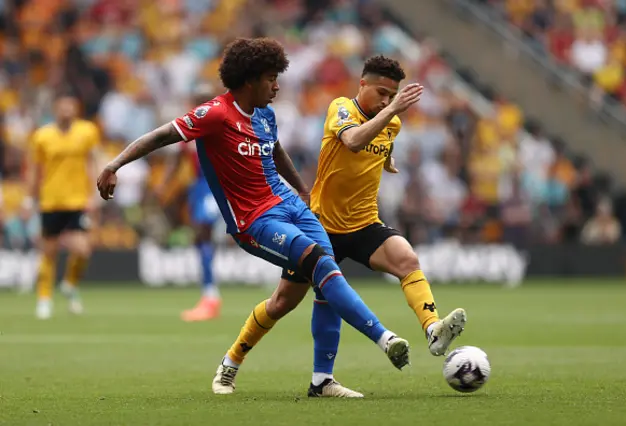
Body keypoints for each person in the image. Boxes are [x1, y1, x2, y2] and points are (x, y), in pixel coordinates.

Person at [97, 37, 410, 397]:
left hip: (291, 207)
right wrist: (114, 163)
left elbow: (275, 151)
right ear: (249, 80)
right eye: (271, 78)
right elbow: (164, 134)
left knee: (307, 291)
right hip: (254, 222)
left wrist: (304, 192)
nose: (277, 86)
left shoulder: (265, 114)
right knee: (320, 267)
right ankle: (384, 338)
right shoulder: (215, 114)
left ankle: (319, 380)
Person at [222, 55, 467, 397]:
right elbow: (352, 141)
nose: (385, 100)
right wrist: (393, 109)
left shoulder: (389, 122)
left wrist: (388, 158)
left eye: (391, 94)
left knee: (407, 259)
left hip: (365, 223)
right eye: (381, 92)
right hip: (321, 225)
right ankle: (231, 361)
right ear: (362, 84)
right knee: (282, 303)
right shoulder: (342, 109)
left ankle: (432, 330)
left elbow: (378, 144)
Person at [27, 92, 101, 319]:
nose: (67, 110)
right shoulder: (42, 136)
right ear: (55, 108)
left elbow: (93, 161)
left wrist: (96, 193)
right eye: (63, 106)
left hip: (78, 200)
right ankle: (44, 299)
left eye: (71, 106)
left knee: (83, 249)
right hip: (51, 200)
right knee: (48, 252)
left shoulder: (87, 131)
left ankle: (69, 283)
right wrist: (29, 198)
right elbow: (34, 170)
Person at [156, 84, 222, 321]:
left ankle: (210, 297)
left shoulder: (220, 125)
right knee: (200, 235)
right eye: (198, 100)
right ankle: (210, 296)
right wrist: (164, 183)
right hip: (200, 185)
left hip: (218, 185)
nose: (201, 105)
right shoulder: (191, 127)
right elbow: (176, 158)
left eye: (206, 100)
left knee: (205, 233)